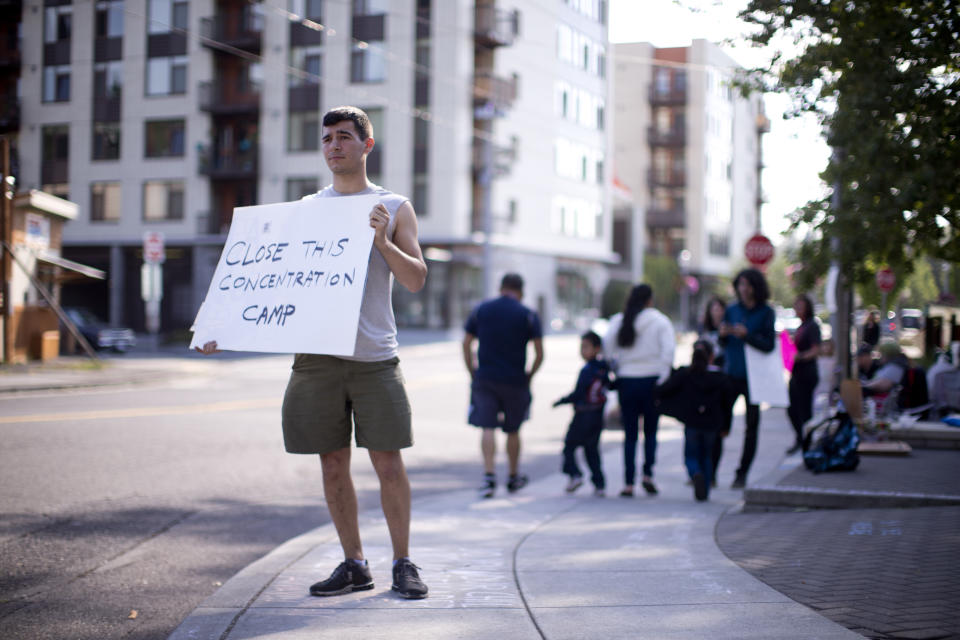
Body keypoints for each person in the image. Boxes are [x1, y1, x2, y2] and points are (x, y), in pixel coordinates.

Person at [196, 106, 429, 599]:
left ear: (367, 145)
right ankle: (354, 563)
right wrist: (220, 327)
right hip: (317, 358)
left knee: (388, 463)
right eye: (326, 139)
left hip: (373, 357)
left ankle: (404, 563)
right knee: (331, 463)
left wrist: (382, 240)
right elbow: (263, 279)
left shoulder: (394, 206)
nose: (333, 146)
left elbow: (415, 279)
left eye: (344, 137)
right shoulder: (305, 211)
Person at [462, 273, 544, 499]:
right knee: (513, 429)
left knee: (487, 427)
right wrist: (530, 375)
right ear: (521, 291)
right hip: (515, 379)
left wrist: (472, 370)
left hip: (485, 377)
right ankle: (513, 476)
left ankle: (488, 476)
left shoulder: (482, 309)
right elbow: (539, 353)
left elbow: (467, 342)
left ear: (501, 288)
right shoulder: (527, 314)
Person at [602, 284, 676, 497]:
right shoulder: (660, 321)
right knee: (651, 431)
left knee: (630, 434)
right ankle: (648, 475)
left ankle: (628, 483)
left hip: (627, 381)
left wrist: (617, 369)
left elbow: (608, 348)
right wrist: (663, 377)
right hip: (652, 381)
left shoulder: (620, 320)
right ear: (650, 300)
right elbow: (668, 352)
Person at [717, 268, 776, 489]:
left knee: (752, 427)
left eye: (748, 284)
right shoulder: (731, 310)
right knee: (720, 422)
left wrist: (747, 336)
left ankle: (742, 473)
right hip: (731, 374)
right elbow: (722, 344)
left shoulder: (766, 312)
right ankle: (710, 470)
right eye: (740, 284)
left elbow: (769, 345)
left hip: (754, 378)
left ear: (756, 287)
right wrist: (724, 335)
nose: (744, 289)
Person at [655, 340, 733, 501]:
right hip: (712, 424)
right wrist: (726, 426)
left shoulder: (685, 374)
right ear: (712, 356)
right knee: (707, 456)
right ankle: (706, 485)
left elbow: (663, 390)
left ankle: (695, 473)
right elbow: (728, 405)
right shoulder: (721, 377)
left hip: (692, 422)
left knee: (691, 456)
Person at [553, 330, 610, 497]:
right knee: (592, 450)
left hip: (584, 414)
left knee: (569, 447)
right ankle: (599, 483)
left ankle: (574, 474)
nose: (582, 351)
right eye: (581, 347)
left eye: (586, 347)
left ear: (597, 348)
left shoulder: (587, 370)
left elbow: (579, 393)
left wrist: (562, 401)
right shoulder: (604, 369)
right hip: (597, 416)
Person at [786, 294, 822, 454]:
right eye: (796, 306)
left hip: (806, 373)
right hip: (797, 373)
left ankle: (806, 443)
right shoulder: (802, 326)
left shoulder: (812, 325)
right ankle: (801, 439)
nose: (797, 309)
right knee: (792, 409)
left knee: (804, 410)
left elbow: (816, 350)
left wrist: (800, 356)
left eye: (800, 306)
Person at [698, 295, 728, 368]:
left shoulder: (727, 326)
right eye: (715, 310)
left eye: (720, 310)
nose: (718, 313)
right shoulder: (704, 327)